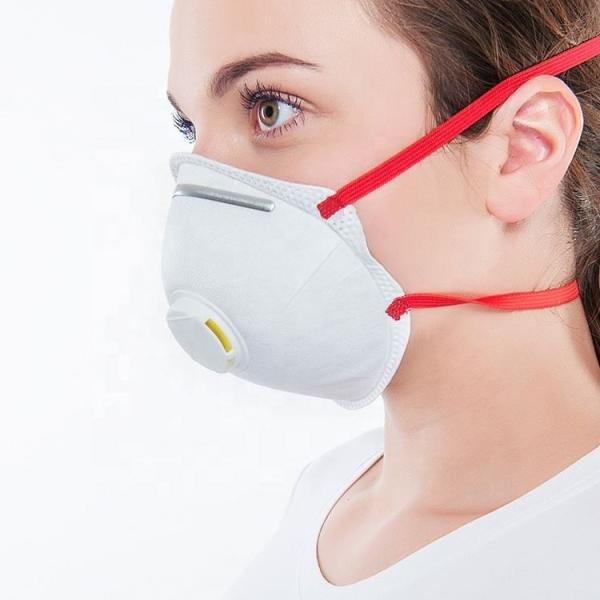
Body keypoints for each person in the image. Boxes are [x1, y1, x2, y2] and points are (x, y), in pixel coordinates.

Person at [165, 0, 600, 596]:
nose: (207, 190)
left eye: (271, 109)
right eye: (190, 128)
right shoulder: (328, 494)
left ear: (524, 148)